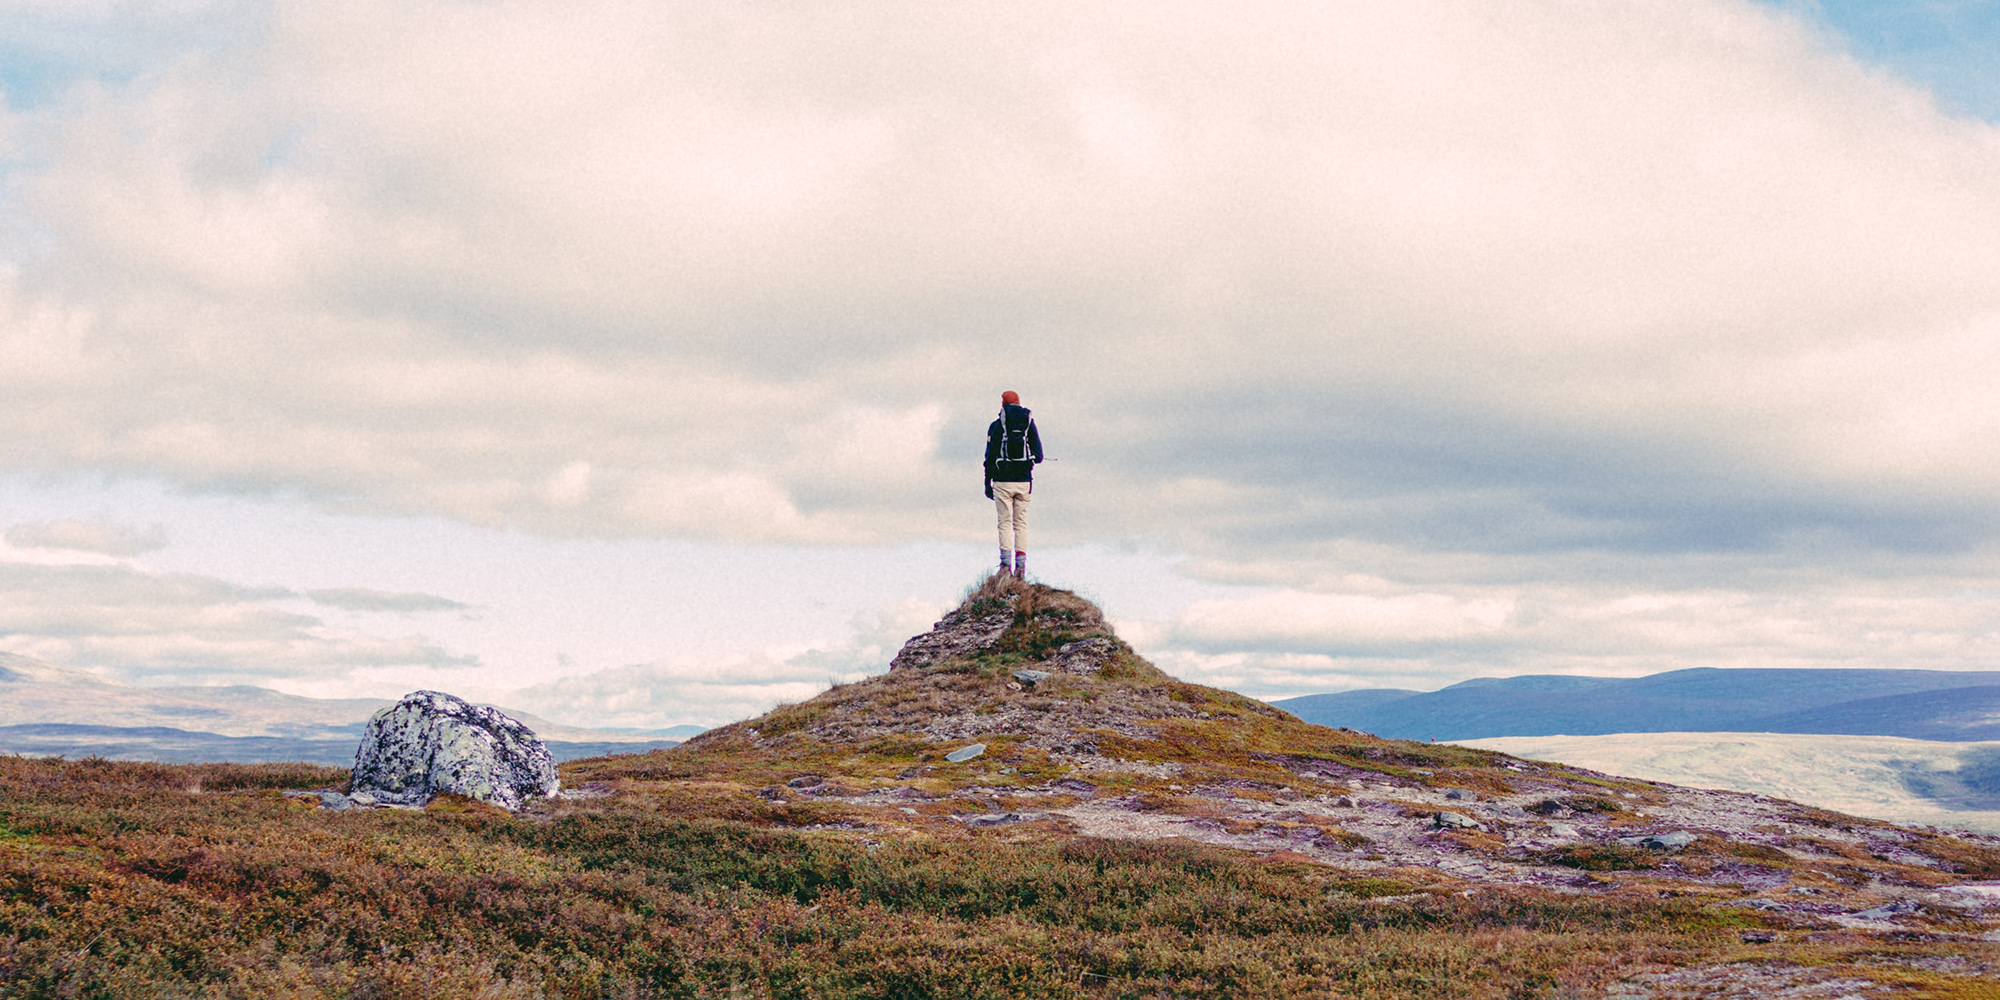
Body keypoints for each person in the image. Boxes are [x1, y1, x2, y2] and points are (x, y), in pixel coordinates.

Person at [984, 390, 1043, 579]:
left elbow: (990, 456)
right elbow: (1040, 456)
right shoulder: (1028, 423)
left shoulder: (996, 425)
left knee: (1004, 523)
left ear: (1002, 404)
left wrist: (988, 482)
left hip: (1002, 480)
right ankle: (1020, 569)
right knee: (1021, 524)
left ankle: (1005, 566)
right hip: (1024, 482)